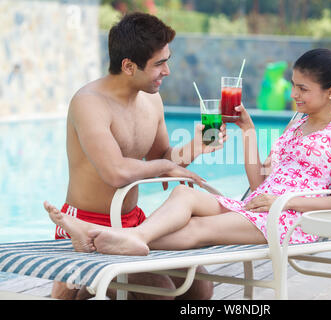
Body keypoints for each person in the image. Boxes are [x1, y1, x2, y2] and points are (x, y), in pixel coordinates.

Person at [44, 48, 331, 259]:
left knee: (199, 230)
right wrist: (249, 131)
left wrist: (280, 202)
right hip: (259, 207)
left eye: (303, 89)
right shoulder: (296, 124)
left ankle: (104, 237)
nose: (294, 95)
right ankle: (125, 238)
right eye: (293, 85)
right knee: (185, 193)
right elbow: (259, 184)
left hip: (295, 222)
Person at [47, 12, 225, 300]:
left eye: (167, 60)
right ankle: (76, 287)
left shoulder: (152, 99)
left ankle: (84, 289)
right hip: (86, 223)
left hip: (132, 222)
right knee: (160, 293)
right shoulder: (89, 103)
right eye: (159, 64)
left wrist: (197, 146)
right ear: (129, 66)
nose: (167, 71)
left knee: (201, 285)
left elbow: (163, 159)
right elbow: (115, 172)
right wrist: (166, 165)